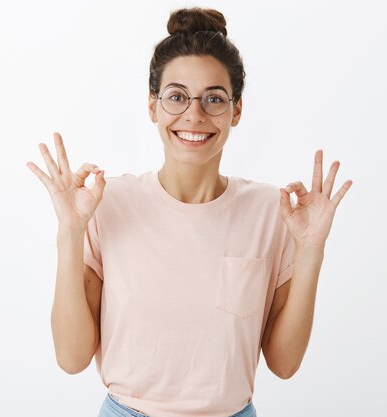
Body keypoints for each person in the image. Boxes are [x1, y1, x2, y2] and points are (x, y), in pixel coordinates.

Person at [26, 6, 352, 417]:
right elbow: (71, 358)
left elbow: (284, 365)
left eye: (214, 99)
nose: (194, 115)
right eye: (177, 96)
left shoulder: (274, 212)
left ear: (236, 110)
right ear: (152, 105)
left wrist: (310, 252)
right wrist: (69, 232)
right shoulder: (107, 203)